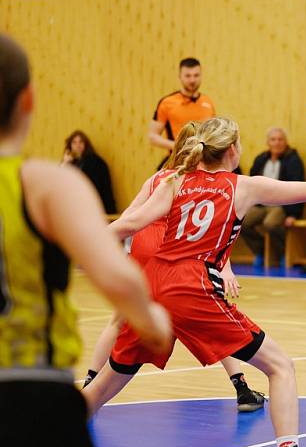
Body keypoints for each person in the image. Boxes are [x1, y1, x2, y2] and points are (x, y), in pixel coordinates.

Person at [83, 109, 306, 447]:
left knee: (106, 383)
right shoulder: (243, 187)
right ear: (233, 150)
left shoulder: (174, 180)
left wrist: (76, 246)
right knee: (280, 367)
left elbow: (127, 225)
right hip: (190, 287)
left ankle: (44, 440)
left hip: (154, 286)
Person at [0, 33, 171, 447]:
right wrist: (151, 320)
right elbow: (117, 276)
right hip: (27, 392)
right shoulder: (45, 183)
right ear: (28, 100)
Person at [81, 121, 265, 412]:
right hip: (172, 253)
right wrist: (225, 268)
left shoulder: (161, 178)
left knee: (119, 320)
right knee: (209, 321)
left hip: (143, 246)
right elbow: (208, 234)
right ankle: (240, 385)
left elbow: (129, 217)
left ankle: (92, 383)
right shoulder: (201, 183)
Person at [240, 127, 305, 268]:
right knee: (242, 221)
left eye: (280, 139)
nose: (277, 143)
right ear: (268, 142)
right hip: (260, 204)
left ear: (286, 142)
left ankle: (283, 253)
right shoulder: (261, 159)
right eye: (273, 139)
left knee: (270, 223)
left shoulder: (293, 160)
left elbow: (298, 186)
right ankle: (261, 250)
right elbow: (251, 182)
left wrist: (294, 214)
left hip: (281, 205)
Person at [148, 57, 215, 169]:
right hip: (177, 164)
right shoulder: (167, 103)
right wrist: (179, 146)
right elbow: (152, 136)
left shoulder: (208, 102)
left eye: (196, 75)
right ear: (180, 77)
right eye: (188, 76)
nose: (192, 80)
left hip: (204, 164)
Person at [62, 130, 117, 214]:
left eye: (81, 142)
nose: (78, 145)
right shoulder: (70, 162)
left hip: (93, 207)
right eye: (74, 142)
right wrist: (65, 163)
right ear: (70, 146)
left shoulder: (94, 162)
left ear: (86, 144)